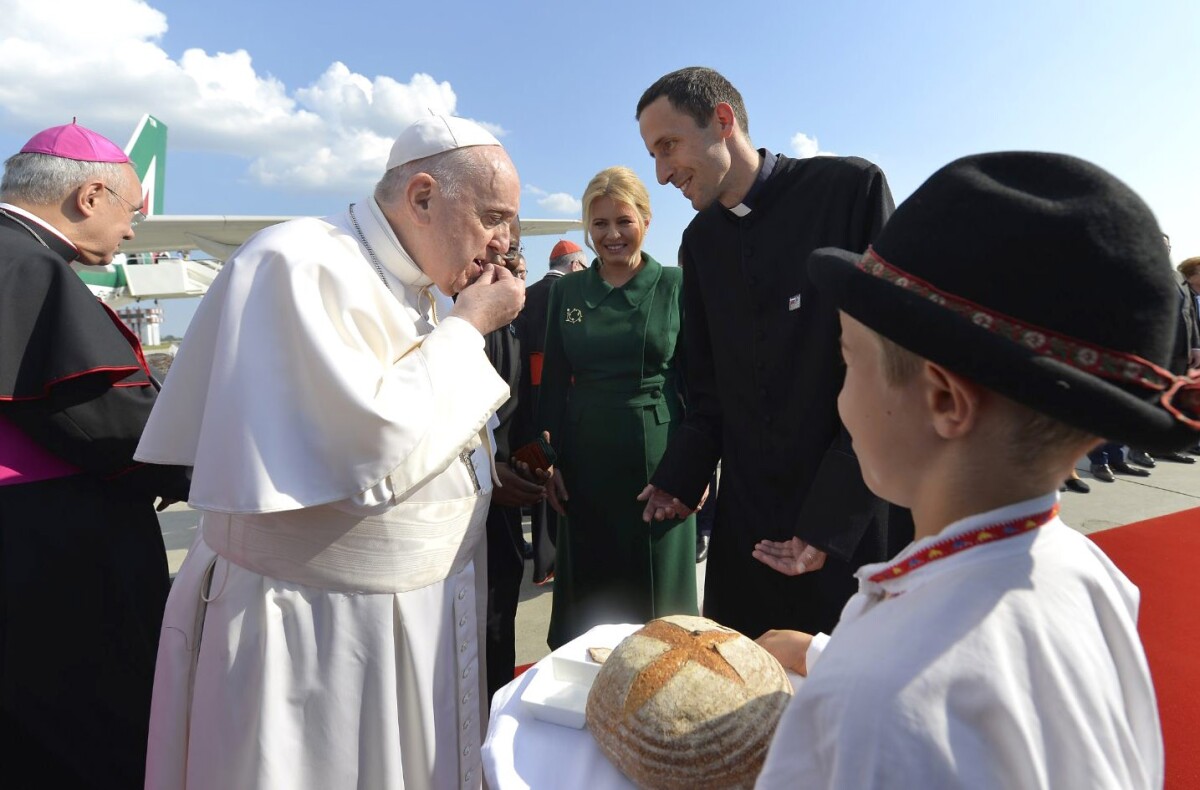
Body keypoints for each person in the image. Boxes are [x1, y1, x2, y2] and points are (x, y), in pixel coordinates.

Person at [752, 151, 1185, 788]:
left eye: (849, 363)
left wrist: (851, 674)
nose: (842, 399)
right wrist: (826, 654)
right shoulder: (1088, 572)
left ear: (944, 400)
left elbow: (907, 707)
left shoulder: (877, 707)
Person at [133, 115, 524, 789]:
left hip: (423, 609)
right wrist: (469, 326)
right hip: (318, 626)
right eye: (495, 216)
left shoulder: (422, 286)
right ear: (423, 197)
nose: (505, 242)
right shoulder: (298, 260)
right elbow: (367, 446)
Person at [635, 66, 909, 639]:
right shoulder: (700, 242)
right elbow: (708, 387)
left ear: (723, 121)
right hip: (750, 527)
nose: (660, 175)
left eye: (668, 147)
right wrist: (680, 477)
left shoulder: (849, 192)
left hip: (851, 518)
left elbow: (896, 369)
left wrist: (829, 522)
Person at [0, 122, 190, 788]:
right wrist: (200, 459)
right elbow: (107, 423)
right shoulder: (25, 267)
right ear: (89, 195)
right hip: (47, 561)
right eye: (131, 212)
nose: (133, 233)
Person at [538, 165, 697, 648]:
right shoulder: (566, 292)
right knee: (590, 596)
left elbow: (698, 384)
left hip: (659, 462)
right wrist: (547, 464)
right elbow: (551, 388)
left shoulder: (675, 285)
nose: (611, 235)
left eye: (623, 221)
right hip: (583, 464)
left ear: (646, 221)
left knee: (660, 614)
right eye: (599, 223)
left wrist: (695, 470)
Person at [483, 222, 547, 703]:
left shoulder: (511, 319)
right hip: (450, 521)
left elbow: (517, 410)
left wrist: (531, 463)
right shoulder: (429, 313)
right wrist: (483, 474)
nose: (502, 256)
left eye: (512, 248)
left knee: (499, 626)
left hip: (499, 519)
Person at [513, 239, 588, 584]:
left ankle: (543, 564)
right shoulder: (574, 293)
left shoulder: (525, 293)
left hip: (527, 397)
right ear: (574, 265)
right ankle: (567, 556)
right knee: (567, 476)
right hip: (565, 395)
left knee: (540, 475)